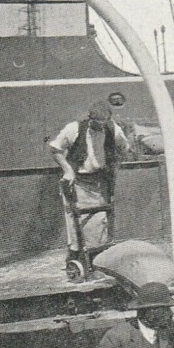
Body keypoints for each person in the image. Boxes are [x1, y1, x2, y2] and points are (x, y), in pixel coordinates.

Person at [49, 101, 131, 271]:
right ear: (90, 118)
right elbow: (55, 149)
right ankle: (75, 257)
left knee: (101, 219)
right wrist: (67, 171)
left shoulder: (113, 129)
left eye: (104, 124)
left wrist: (114, 167)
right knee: (76, 220)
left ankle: (98, 258)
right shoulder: (75, 129)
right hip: (78, 180)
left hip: (100, 181)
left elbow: (123, 149)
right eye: (97, 124)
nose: (101, 128)